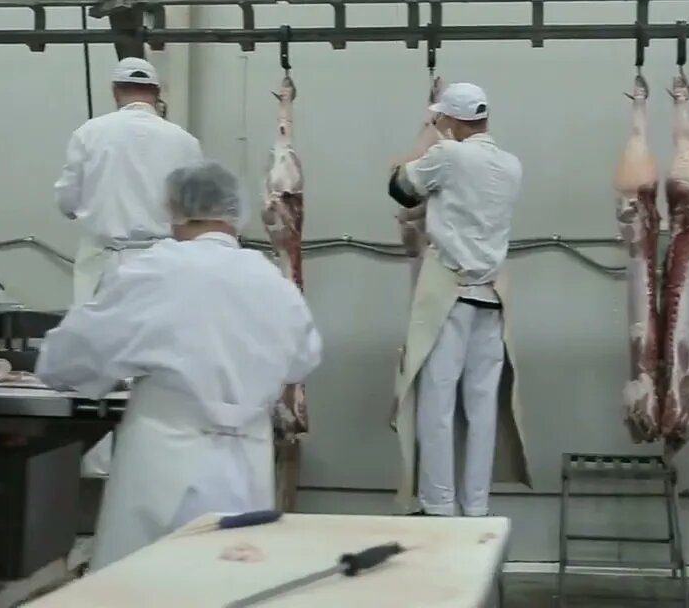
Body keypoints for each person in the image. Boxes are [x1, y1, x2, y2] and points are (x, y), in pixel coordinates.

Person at [36, 160, 322, 571]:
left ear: (172, 208)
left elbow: (73, 355)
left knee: (147, 586)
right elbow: (304, 359)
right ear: (234, 213)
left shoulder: (155, 269)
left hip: (165, 462)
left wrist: (62, 367)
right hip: (248, 467)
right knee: (233, 580)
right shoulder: (271, 280)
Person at [52, 56, 203, 477]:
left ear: (117, 92)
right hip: (163, 264)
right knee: (155, 369)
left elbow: (66, 202)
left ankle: (97, 476)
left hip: (105, 261)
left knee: (98, 367)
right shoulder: (185, 142)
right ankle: (150, 467)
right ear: (157, 95)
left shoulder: (89, 133)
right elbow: (194, 210)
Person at [386, 82, 531, 517]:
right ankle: (477, 507)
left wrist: (425, 136)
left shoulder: (447, 157)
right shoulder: (511, 165)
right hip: (491, 300)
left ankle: (439, 505)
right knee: (482, 406)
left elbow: (401, 188)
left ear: (451, 119)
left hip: (450, 297)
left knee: (437, 401)